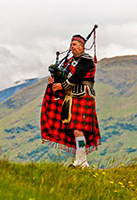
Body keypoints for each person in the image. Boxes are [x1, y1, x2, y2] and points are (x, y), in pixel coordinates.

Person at [40, 34, 101, 168]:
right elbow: (64, 76)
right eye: (71, 45)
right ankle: (81, 161)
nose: (72, 47)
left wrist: (62, 86)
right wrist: (54, 80)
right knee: (75, 130)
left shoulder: (86, 61)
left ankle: (81, 162)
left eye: (74, 44)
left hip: (83, 96)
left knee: (79, 130)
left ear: (82, 46)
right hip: (71, 98)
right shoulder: (69, 62)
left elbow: (77, 77)